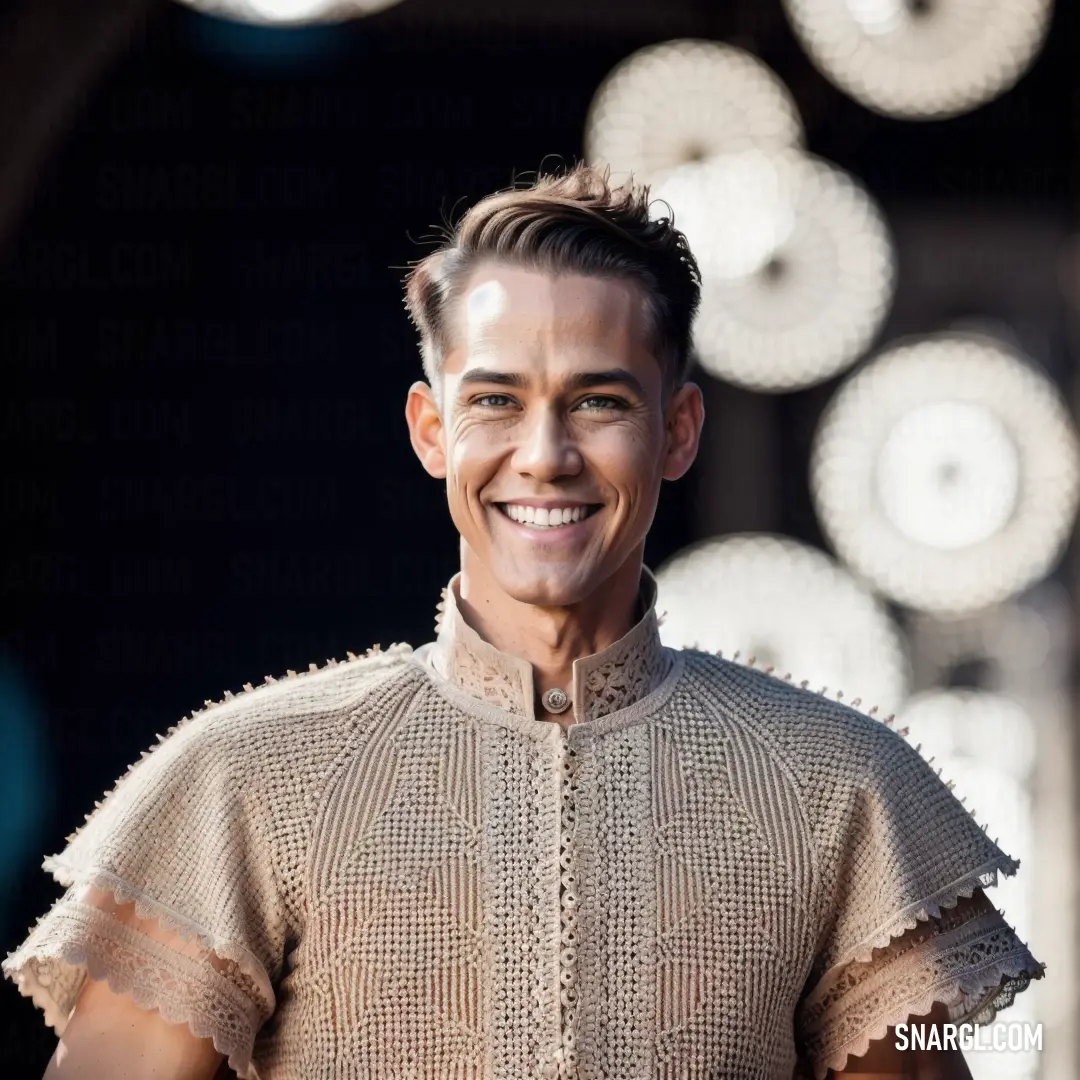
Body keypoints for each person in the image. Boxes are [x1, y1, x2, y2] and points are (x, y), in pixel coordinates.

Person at [5, 162, 1043, 1080]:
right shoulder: (242, 784)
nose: (544, 454)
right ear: (431, 428)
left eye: (598, 401)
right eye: (497, 401)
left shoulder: (850, 793)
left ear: (678, 430)